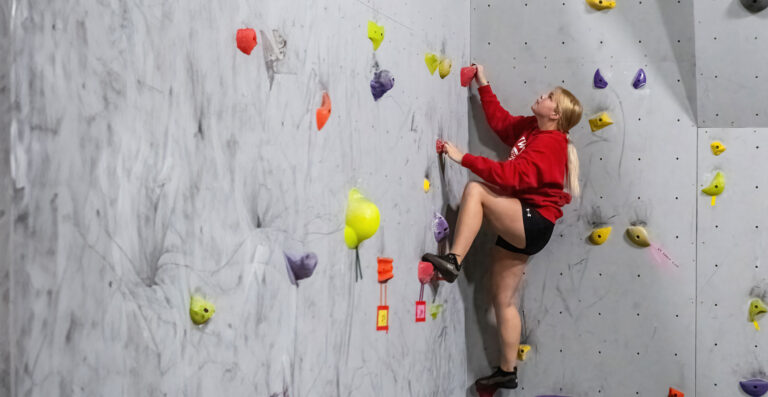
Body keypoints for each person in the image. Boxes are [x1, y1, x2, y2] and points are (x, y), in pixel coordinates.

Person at [421, 64, 583, 390]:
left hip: (532, 221)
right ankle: (507, 371)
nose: (543, 95)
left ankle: (453, 261)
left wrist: (463, 158)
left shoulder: (551, 143)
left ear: (556, 115)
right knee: (503, 300)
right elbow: (500, 122)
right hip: (528, 222)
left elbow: (511, 177)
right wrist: (483, 83)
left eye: (550, 97)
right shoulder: (532, 129)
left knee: (476, 191)